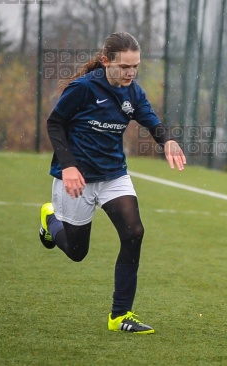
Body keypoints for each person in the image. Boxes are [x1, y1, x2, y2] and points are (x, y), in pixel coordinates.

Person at [37, 32, 186, 334]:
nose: (130, 73)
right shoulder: (84, 88)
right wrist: (68, 166)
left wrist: (167, 140)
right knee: (78, 252)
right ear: (106, 62)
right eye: (124, 66)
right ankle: (49, 219)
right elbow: (55, 123)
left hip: (113, 175)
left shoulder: (133, 93)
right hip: (77, 177)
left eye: (135, 67)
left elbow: (151, 121)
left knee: (134, 232)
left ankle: (120, 315)